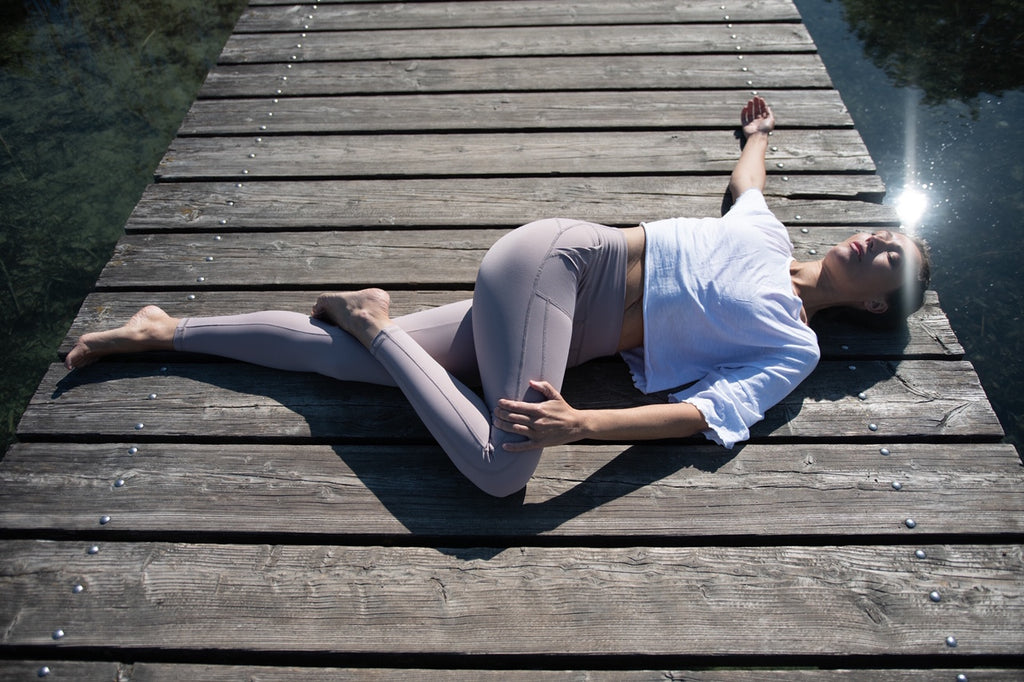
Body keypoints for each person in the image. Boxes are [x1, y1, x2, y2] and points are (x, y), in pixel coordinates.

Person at [65, 97, 930, 497]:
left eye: (892, 259)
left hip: (550, 328)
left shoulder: (794, 349)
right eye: (885, 231)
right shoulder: (767, 233)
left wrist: (583, 425)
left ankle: (169, 330)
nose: (878, 239)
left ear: (871, 307)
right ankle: (375, 319)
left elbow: (707, 415)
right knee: (502, 469)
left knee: (353, 368)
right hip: (561, 265)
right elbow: (746, 187)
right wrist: (757, 137)